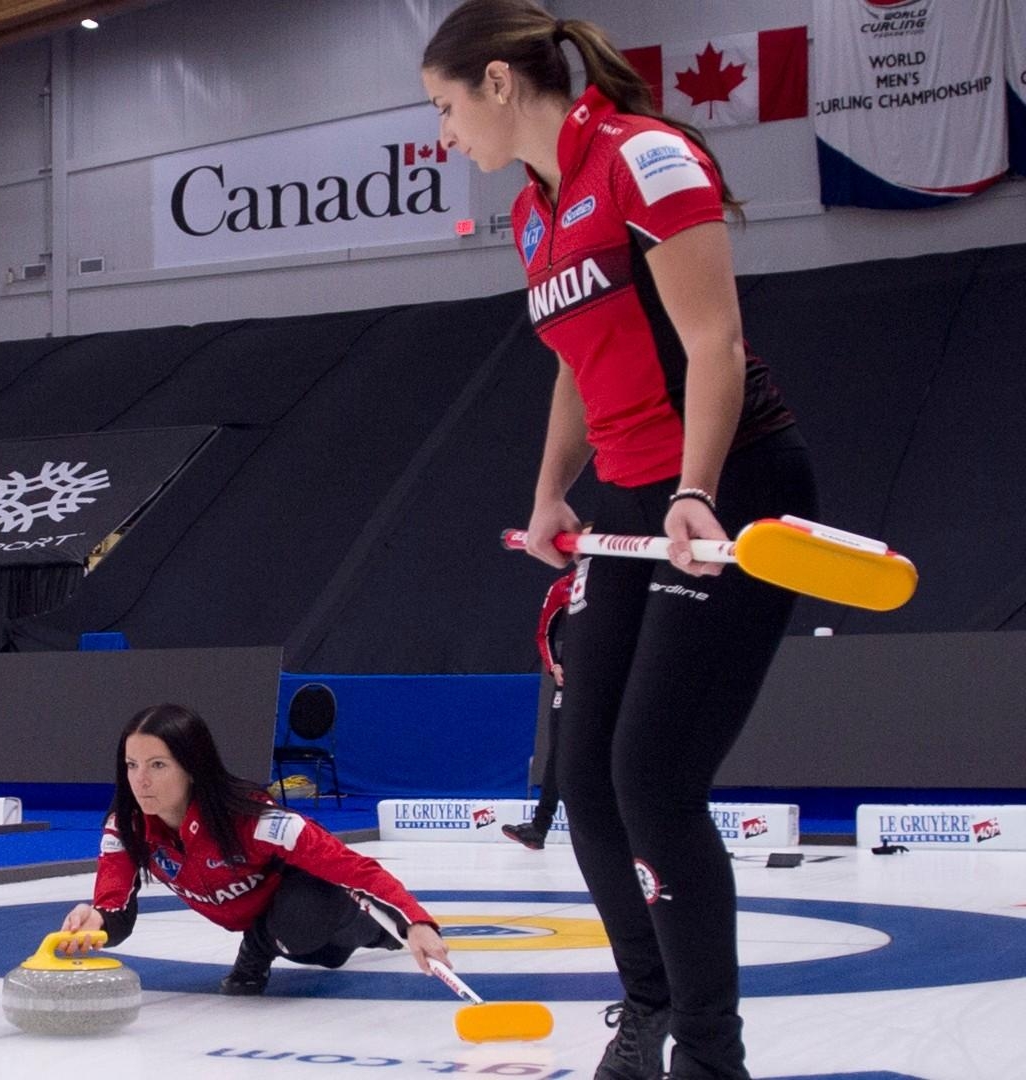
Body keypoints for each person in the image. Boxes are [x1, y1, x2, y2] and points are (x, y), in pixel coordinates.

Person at [421, 4, 818, 1078]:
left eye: (447, 108)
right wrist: (554, 493)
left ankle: (710, 1054)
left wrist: (697, 491)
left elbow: (714, 340)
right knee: (585, 784)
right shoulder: (533, 213)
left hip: (729, 485)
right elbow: (575, 361)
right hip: (630, 507)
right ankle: (646, 1015)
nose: (445, 135)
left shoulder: (649, 157)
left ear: (500, 82)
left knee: (652, 778)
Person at [59, 704, 448, 995]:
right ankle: (321, 939)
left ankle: (276, 945)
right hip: (282, 925)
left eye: (158, 765)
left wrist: (414, 922)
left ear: (192, 767)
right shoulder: (125, 827)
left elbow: (352, 866)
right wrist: (96, 921)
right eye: (131, 765)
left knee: (303, 928)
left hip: (308, 899)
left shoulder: (254, 819)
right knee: (323, 955)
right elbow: (115, 906)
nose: (140, 781)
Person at [503, 568, 574, 850]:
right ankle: (539, 828)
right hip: (572, 680)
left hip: (612, 680)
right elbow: (544, 631)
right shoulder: (564, 587)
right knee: (558, 753)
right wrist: (554, 665)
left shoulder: (623, 581)